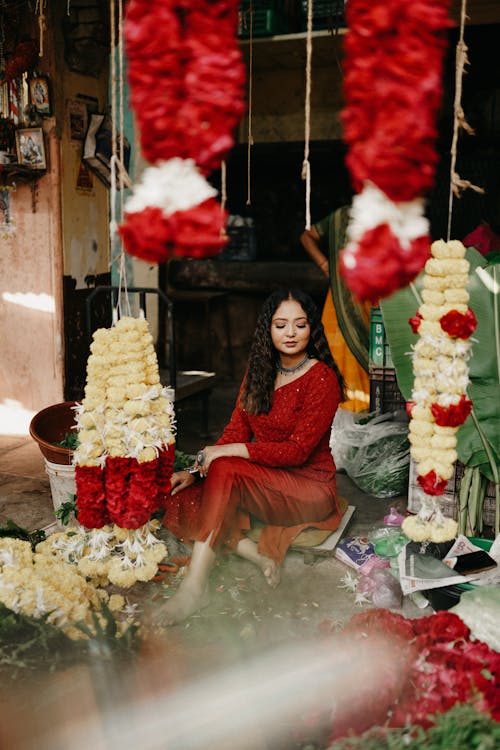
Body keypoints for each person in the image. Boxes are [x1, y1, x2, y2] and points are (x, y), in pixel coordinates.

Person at [155, 288, 348, 626]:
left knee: (226, 468)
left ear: (311, 329)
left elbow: (297, 450)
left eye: (300, 325)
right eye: (281, 325)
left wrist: (226, 453)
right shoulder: (259, 372)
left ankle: (194, 588)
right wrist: (196, 470)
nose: (290, 333)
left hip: (309, 488)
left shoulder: (323, 378)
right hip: (266, 480)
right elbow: (234, 432)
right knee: (180, 497)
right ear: (267, 330)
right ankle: (253, 552)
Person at [300, 206, 371, 412]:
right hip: (340, 302)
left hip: (376, 300)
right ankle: (332, 412)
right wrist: (325, 265)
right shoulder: (342, 217)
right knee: (335, 354)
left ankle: (363, 411)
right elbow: (306, 237)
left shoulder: (390, 215)